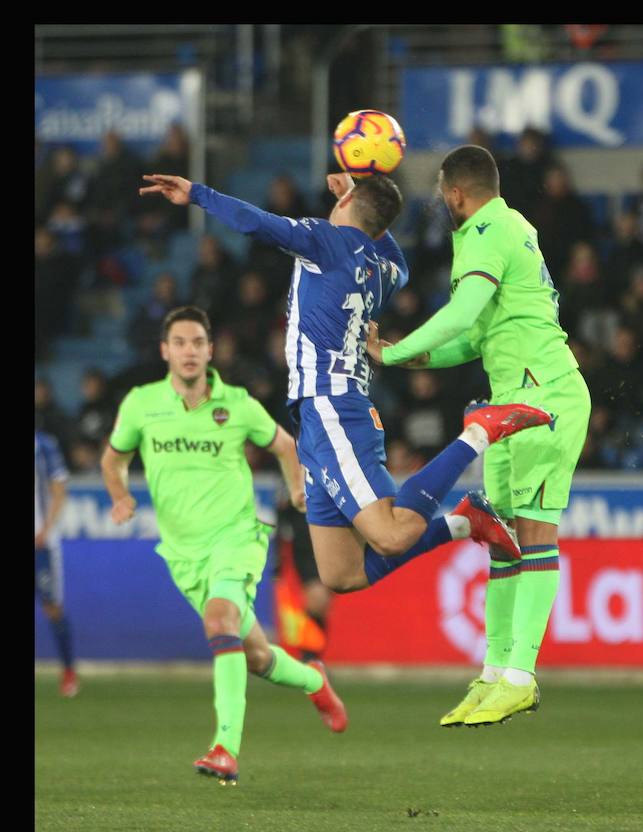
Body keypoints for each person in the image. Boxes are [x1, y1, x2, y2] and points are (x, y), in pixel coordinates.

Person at [139, 171, 553, 600]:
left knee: (391, 536)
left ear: (344, 205)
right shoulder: (382, 269)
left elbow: (256, 221)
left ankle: (477, 432)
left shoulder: (324, 241)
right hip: (317, 416)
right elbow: (403, 268)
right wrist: (369, 210)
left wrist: (197, 194)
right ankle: (465, 523)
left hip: (333, 407)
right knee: (341, 574)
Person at [367, 145, 592, 727]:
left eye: (443, 192)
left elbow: (462, 314)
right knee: (501, 539)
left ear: (455, 193)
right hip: (510, 400)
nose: (442, 201)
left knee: (536, 537)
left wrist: (396, 352)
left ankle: (521, 675)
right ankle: (495, 671)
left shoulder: (490, 230)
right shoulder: (500, 229)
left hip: (545, 397)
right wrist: (410, 359)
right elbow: (475, 339)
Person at [101, 306, 348, 786]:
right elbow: (113, 460)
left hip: (237, 539)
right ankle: (316, 681)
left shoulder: (238, 405)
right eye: (180, 343)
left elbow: (285, 445)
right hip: (184, 554)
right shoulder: (140, 404)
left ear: (210, 351)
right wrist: (120, 495)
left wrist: (297, 488)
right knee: (254, 657)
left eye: (197, 342)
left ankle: (225, 748)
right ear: (165, 351)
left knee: (219, 621)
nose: (189, 351)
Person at [35, 430, 79, 697]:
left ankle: (68, 673)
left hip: (42, 545)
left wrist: (47, 528)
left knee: (52, 607)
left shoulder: (43, 446)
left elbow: (59, 489)